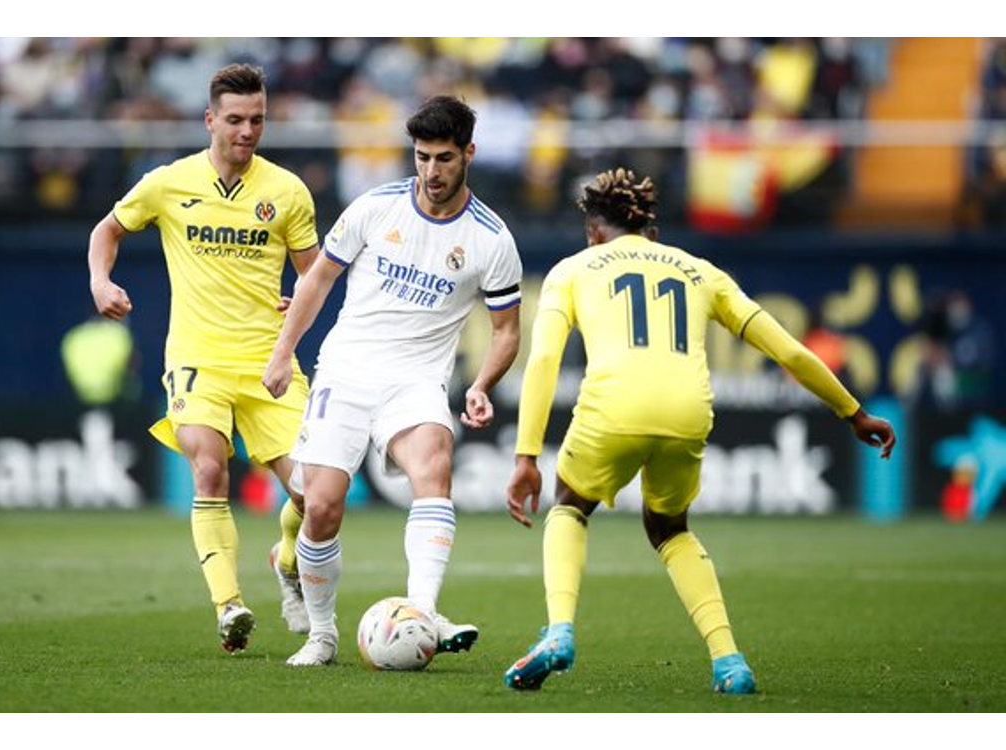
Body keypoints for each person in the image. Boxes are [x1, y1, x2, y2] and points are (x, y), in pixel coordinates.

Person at [502, 168, 896, 693]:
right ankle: (729, 662)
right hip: (688, 411)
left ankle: (558, 633)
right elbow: (789, 351)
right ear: (652, 234)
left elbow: (545, 357)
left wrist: (527, 454)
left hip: (613, 405)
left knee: (571, 504)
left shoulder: (573, 269)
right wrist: (853, 413)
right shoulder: (699, 270)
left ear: (593, 232)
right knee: (670, 530)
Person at [263, 95, 523, 667]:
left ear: (469, 155)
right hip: (347, 370)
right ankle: (323, 635)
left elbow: (505, 332)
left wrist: (480, 384)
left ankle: (422, 613)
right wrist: (284, 354)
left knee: (435, 468)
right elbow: (317, 281)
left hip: (417, 380)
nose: (431, 171)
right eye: (422, 157)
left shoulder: (491, 239)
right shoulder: (375, 208)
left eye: (444, 159)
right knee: (321, 507)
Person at [88, 64, 319, 654]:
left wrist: (303, 299)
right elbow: (106, 230)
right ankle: (229, 606)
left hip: (269, 360)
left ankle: (286, 559)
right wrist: (100, 281)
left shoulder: (287, 191)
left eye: (258, 120)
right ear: (210, 119)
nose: (247, 131)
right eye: (236, 120)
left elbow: (315, 275)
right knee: (210, 469)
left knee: (314, 494)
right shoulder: (168, 182)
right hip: (198, 358)